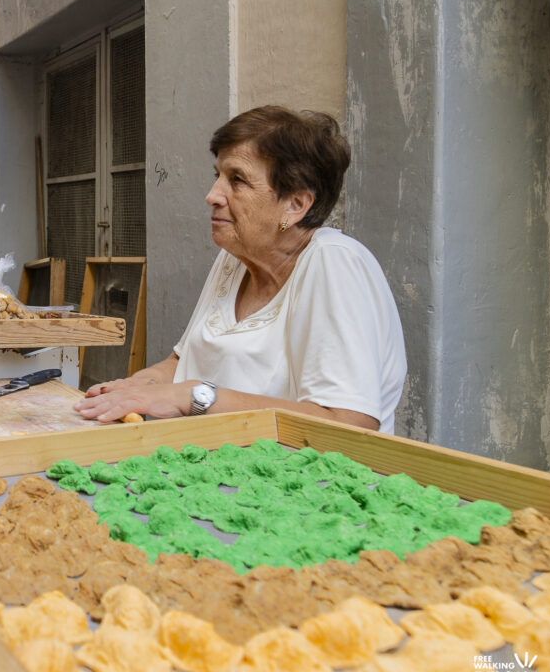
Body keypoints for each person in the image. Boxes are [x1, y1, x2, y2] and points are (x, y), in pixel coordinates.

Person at [75, 106, 407, 434]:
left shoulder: (335, 263)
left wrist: (192, 397)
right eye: (217, 175)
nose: (212, 195)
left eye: (237, 179)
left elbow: (348, 426)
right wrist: (136, 388)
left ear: (295, 205)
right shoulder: (235, 258)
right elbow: (182, 362)